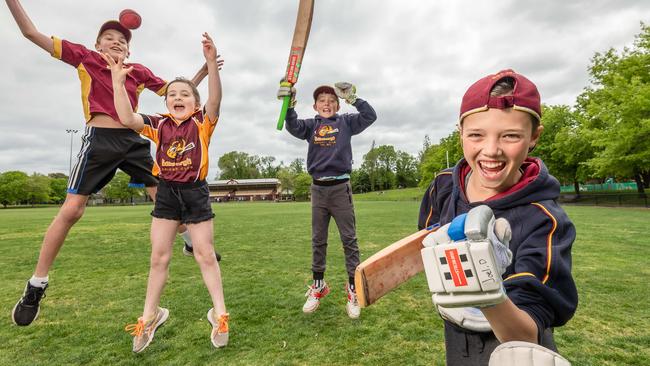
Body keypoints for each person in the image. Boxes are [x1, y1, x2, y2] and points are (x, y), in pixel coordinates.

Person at [6, 0, 219, 327]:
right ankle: (36, 285)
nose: (116, 41)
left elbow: (178, 96)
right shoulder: (85, 59)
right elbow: (30, 32)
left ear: (128, 51)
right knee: (73, 210)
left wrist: (205, 69)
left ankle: (191, 241)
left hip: (134, 141)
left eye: (122, 39)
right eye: (108, 37)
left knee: (167, 200)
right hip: (100, 141)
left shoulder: (138, 72)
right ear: (97, 45)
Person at [418, 69, 577, 365]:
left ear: (534, 138)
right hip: (457, 335)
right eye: (476, 135)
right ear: (460, 134)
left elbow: (526, 333)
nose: (491, 151)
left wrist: (487, 291)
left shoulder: (545, 219)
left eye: (511, 136)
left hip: (514, 348)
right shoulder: (443, 185)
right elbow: (426, 239)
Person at [105, 32, 228, 352]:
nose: (177, 96)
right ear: (166, 101)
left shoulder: (203, 121)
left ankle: (220, 313)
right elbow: (126, 117)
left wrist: (211, 63)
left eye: (185, 93)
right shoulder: (158, 124)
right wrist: (118, 83)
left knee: (204, 254)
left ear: (194, 102)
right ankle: (150, 317)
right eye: (172, 93)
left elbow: (215, 99)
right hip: (168, 193)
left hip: (195, 192)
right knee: (158, 257)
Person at [277, 81, 377, 319]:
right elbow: (291, 126)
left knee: (349, 241)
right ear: (314, 106)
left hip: (341, 188)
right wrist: (289, 105)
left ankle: (353, 290)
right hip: (318, 190)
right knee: (318, 241)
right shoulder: (311, 125)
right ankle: (319, 285)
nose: (327, 104)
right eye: (322, 101)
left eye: (332, 100)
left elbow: (370, 115)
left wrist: (353, 98)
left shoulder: (346, 122)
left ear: (338, 104)